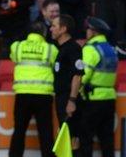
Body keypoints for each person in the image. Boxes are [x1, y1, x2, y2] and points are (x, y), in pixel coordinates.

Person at [8, 21, 58, 157]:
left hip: (23, 94)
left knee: (19, 131)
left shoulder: (17, 47)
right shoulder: (50, 49)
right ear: (44, 33)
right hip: (43, 95)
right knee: (46, 133)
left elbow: (13, 58)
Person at [79, 17, 117, 157]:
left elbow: (83, 75)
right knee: (107, 140)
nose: (86, 32)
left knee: (86, 138)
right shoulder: (111, 50)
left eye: (88, 29)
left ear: (94, 32)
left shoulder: (90, 49)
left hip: (92, 99)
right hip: (109, 98)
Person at [50, 14, 83, 153]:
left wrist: (72, 100)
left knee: (73, 137)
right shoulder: (61, 49)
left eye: (54, 26)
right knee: (65, 136)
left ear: (63, 29)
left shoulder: (73, 48)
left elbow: (78, 75)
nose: (51, 29)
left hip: (68, 98)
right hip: (61, 98)